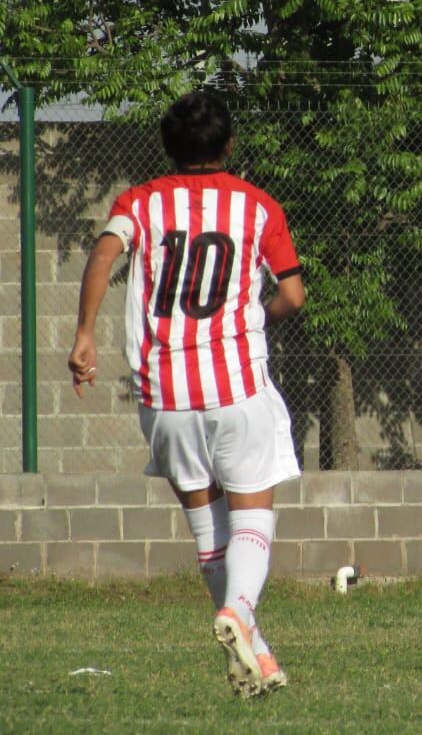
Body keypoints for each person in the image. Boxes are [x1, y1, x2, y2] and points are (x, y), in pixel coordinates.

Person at [67, 90, 304, 698]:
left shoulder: (140, 203)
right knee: (252, 517)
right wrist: (259, 316)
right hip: (237, 385)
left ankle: (262, 655)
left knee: (208, 530)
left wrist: (86, 332)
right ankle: (239, 615)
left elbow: (104, 251)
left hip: (166, 396)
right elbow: (293, 295)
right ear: (229, 146)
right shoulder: (258, 207)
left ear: (169, 149)